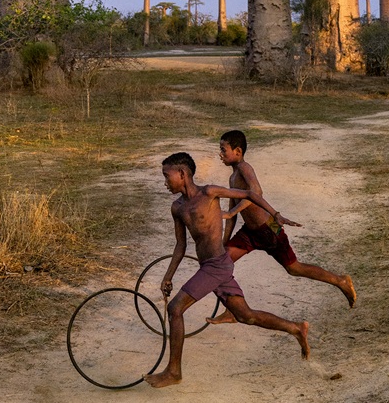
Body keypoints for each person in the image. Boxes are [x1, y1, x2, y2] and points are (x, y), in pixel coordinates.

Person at [145, 152, 310, 388]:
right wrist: (167, 276)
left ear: (182, 174)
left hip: (217, 265)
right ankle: (296, 329)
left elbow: (250, 194)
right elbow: (180, 245)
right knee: (245, 315)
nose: (164, 181)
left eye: (166, 175)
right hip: (210, 266)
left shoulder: (209, 193)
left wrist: (275, 215)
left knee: (175, 309)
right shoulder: (177, 207)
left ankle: (174, 372)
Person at [207, 130, 356, 325]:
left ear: (238, 151)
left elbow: (256, 192)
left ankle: (340, 281)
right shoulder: (232, 178)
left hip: (268, 229)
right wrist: (224, 241)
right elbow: (231, 216)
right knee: (222, 261)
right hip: (250, 233)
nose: (220, 154)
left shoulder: (245, 168)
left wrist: (232, 213)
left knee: (294, 268)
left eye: (223, 150)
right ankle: (233, 310)